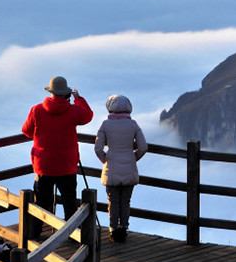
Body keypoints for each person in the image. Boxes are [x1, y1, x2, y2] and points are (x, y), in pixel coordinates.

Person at [22, 76, 93, 239]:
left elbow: (26, 130)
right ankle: (73, 235)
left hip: (44, 165)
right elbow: (88, 116)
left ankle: (35, 232)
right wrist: (79, 99)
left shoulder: (36, 110)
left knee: (41, 202)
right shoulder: (73, 111)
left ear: (51, 92)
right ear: (66, 94)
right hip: (67, 165)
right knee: (70, 203)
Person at [94, 94, 147, 243]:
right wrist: (133, 158)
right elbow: (143, 147)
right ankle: (124, 228)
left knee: (113, 201)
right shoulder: (133, 125)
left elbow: (98, 148)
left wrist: (106, 160)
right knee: (125, 201)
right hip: (129, 168)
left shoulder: (105, 125)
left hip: (111, 168)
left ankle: (113, 230)